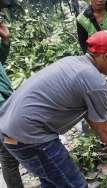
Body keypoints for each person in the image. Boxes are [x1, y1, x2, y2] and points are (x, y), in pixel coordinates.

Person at [0, 31, 107, 187]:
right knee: (75, 184)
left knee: (52, 181)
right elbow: (104, 129)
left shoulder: (72, 61)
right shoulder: (95, 82)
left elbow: (94, 121)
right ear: (106, 56)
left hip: (8, 131)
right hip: (30, 137)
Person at [0, 18, 24, 188]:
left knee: (9, 153)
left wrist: (5, 40)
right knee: (9, 156)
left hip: (6, 101)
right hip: (3, 107)